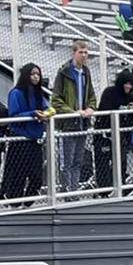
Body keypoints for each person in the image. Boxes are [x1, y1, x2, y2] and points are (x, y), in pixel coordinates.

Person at [50, 40, 97, 193]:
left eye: (86, 52)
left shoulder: (86, 72)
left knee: (78, 160)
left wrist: (90, 107)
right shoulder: (64, 72)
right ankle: (66, 191)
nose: (84, 55)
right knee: (66, 161)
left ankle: (74, 191)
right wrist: (73, 112)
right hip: (68, 124)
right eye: (80, 52)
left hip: (83, 122)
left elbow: (91, 95)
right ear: (74, 53)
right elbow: (56, 99)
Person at [3, 63, 51, 204]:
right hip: (20, 139)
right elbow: (13, 115)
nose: (36, 77)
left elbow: (46, 107)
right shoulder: (16, 93)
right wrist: (32, 114)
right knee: (18, 174)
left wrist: (47, 113)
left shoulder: (38, 93)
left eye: (38, 74)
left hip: (35, 140)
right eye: (32, 74)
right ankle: (14, 201)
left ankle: (29, 199)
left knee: (37, 175)